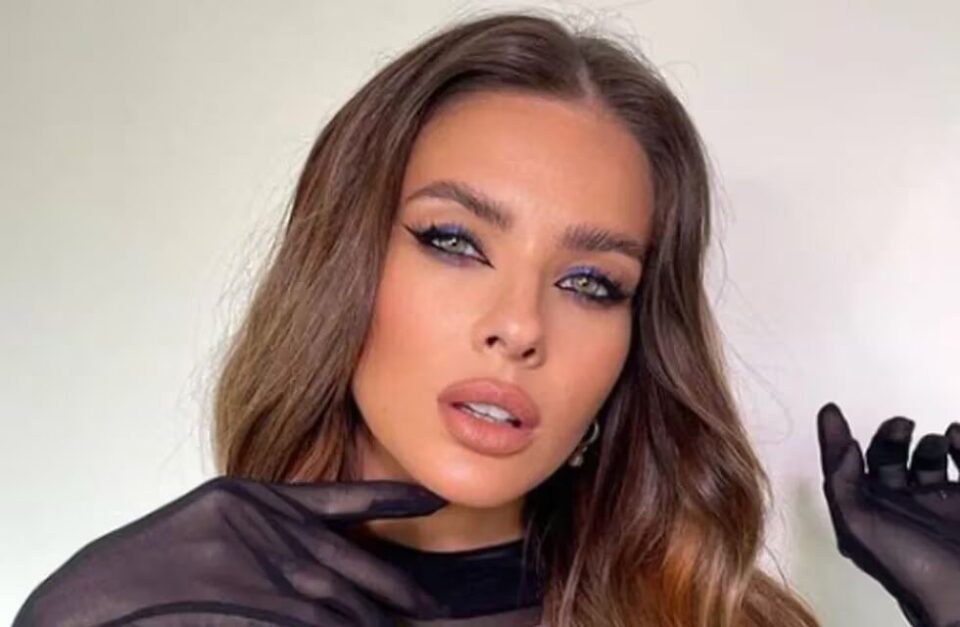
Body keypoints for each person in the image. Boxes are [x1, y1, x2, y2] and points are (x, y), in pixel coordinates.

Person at [12, 10, 960, 627]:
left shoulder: (713, 616)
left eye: (590, 283)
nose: (520, 325)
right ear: (343, 263)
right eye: (455, 241)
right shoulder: (181, 607)